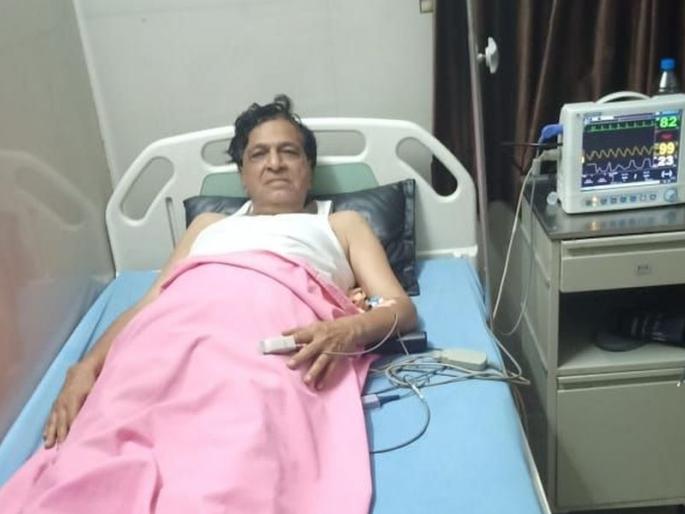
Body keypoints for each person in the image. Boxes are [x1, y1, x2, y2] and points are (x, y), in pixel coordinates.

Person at [0, 95, 417, 514]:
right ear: (243, 175)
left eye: (289, 152)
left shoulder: (340, 224)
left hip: (262, 343)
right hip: (164, 338)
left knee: (236, 452)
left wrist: (348, 328)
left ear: (308, 169)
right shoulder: (208, 225)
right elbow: (149, 303)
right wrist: (85, 368)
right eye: (259, 154)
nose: (275, 163)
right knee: (101, 443)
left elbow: (399, 307)